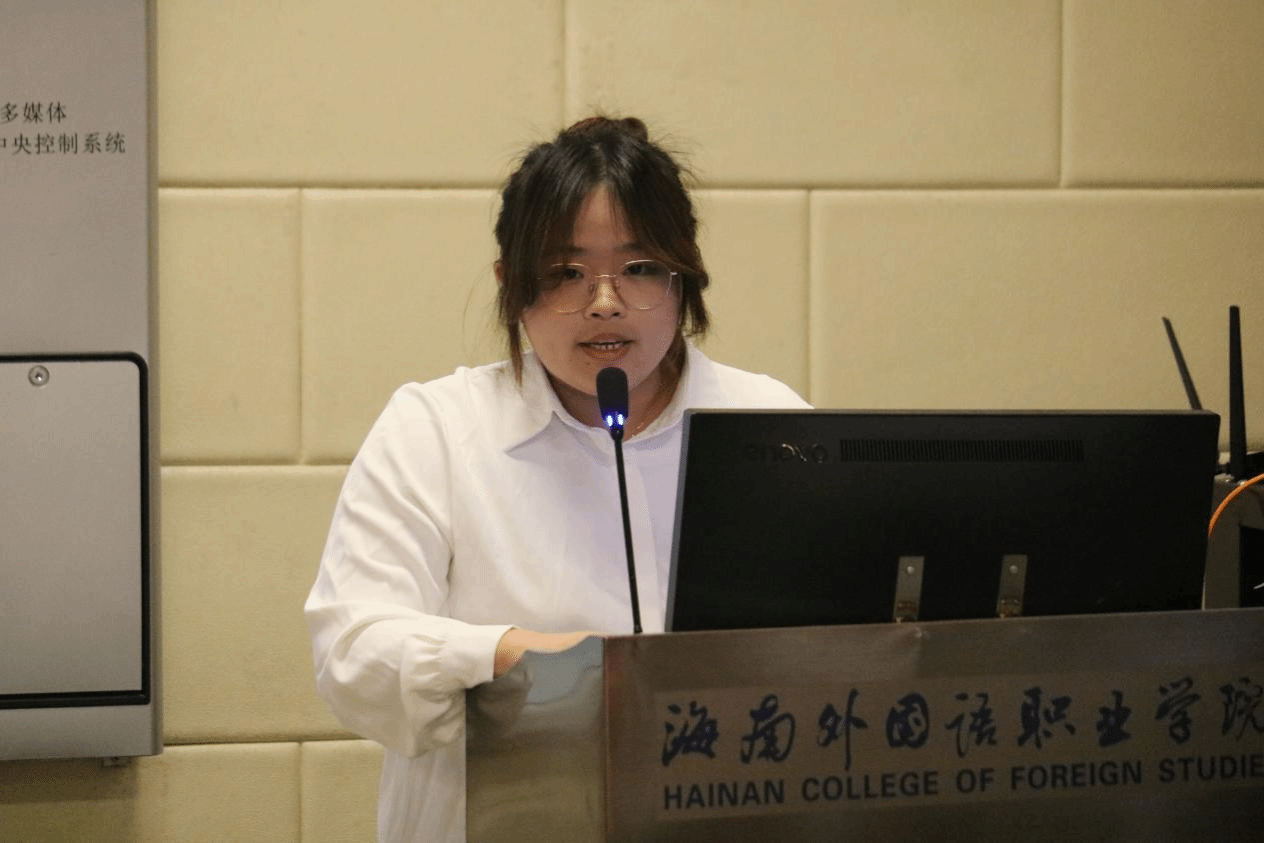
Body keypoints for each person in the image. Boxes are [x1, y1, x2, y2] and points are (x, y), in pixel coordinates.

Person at [304, 115, 810, 842]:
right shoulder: (436, 429)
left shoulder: (770, 424)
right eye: (566, 273)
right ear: (512, 286)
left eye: (639, 268)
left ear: (685, 274)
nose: (605, 301)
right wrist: (518, 661)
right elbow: (353, 653)